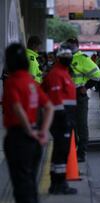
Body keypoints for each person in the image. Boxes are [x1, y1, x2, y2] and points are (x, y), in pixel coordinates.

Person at [3, 43, 54, 203]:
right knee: (31, 180)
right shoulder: (31, 82)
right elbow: (49, 107)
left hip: (18, 137)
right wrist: (42, 131)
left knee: (21, 184)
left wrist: (27, 130)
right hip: (34, 139)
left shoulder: (12, 81)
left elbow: (17, 108)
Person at [41, 43, 78, 195]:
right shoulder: (57, 74)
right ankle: (58, 184)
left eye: (70, 56)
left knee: (60, 151)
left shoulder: (63, 72)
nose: (68, 58)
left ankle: (57, 182)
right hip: (61, 118)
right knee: (60, 151)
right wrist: (64, 118)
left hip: (64, 116)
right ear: (59, 58)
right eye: (65, 56)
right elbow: (56, 98)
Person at [66, 38, 100, 162]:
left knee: (81, 125)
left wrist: (85, 87)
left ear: (76, 45)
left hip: (79, 96)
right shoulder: (66, 58)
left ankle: (81, 152)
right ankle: (72, 150)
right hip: (67, 96)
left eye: (70, 45)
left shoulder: (82, 59)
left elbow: (98, 74)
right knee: (71, 125)